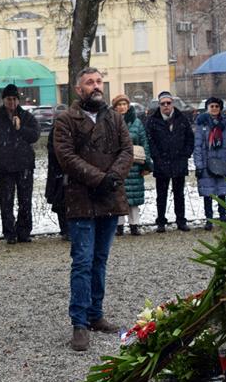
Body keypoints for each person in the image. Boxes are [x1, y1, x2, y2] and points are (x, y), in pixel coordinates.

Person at [53, 67, 133, 352]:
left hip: (109, 198)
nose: (96, 86)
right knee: (83, 262)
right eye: (89, 82)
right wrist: (99, 178)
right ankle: (79, 322)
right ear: (78, 89)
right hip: (81, 199)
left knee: (100, 260)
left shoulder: (114, 118)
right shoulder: (65, 120)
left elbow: (127, 150)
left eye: (99, 81)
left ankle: (95, 314)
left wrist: (113, 177)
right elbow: (66, 156)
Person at [0, 84, 40, 244]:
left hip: (24, 165)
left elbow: (35, 136)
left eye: (14, 99)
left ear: (18, 100)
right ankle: (9, 232)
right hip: (5, 167)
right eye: (8, 99)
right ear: (3, 100)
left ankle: (24, 231)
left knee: (25, 201)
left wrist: (20, 128)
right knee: (6, 201)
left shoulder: (27, 117)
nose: (11, 102)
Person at [146, 91, 194, 232]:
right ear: (159, 105)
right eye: (163, 103)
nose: (166, 106)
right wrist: (156, 157)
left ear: (172, 103)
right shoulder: (152, 121)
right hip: (161, 162)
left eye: (168, 103)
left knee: (179, 193)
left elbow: (190, 138)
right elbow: (150, 141)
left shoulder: (182, 119)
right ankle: (161, 221)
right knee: (161, 194)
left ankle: (181, 220)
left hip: (179, 160)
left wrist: (185, 154)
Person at [111, 94, 151, 236]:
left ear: (128, 106)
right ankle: (119, 226)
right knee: (118, 197)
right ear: (115, 107)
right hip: (117, 164)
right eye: (119, 105)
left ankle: (134, 224)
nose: (122, 107)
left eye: (124, 104)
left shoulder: (137, 122)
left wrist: (147, 164)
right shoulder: (110, 122)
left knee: (133, 198)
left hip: (134, 164)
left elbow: (144, 142)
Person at [194, 97, 226, 231]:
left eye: (216, 106)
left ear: (220, 109)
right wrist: (199, 165)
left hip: (222, 162)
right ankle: (209, 219)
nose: (214, 109)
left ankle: (223, 217)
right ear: (207, 108)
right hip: (207, 163)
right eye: (211, 106)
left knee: (222, 192)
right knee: (208, 193)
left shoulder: (225, 125)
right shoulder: (202, 124)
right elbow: (198, 146)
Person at [44, 129, 69, 240]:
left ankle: (69, 229)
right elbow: (52, 148)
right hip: (59, 169)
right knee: (61, 200)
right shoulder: (58, 127)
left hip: (71, 168)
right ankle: (65, 229)